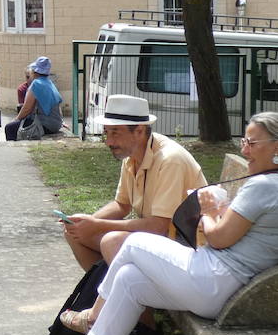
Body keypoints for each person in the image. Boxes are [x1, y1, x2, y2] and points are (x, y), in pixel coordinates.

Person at [54, 112, 278, 335]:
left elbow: (217, 238)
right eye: (244, 141)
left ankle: (94, 315)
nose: (245, 149)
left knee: (132, 243)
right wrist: (219, 211)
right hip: (227, 285)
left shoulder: (265, 186)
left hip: (217, 283)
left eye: (252, 143)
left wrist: (208, 210)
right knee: (129, 279)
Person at [61, 94, 207, 271]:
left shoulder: (170, 160)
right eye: (107, 132)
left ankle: (119, 295)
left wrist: (96, 225)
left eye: (115, 133)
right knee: (75, 234)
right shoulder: (132, 155)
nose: (109, 141)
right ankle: (101, 292)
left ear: (139, 131)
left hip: (185, 247)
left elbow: (159, 226)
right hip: (159, 238)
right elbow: (122, 205)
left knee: (111, 241)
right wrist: (84, 222)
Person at [6, 55, 63, 140]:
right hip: (56, 124)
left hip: (45, 124)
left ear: (34, 72)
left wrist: (16, 119)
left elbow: (27, 108)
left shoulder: (36, 84)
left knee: (10, 128)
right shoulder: (49, 82)